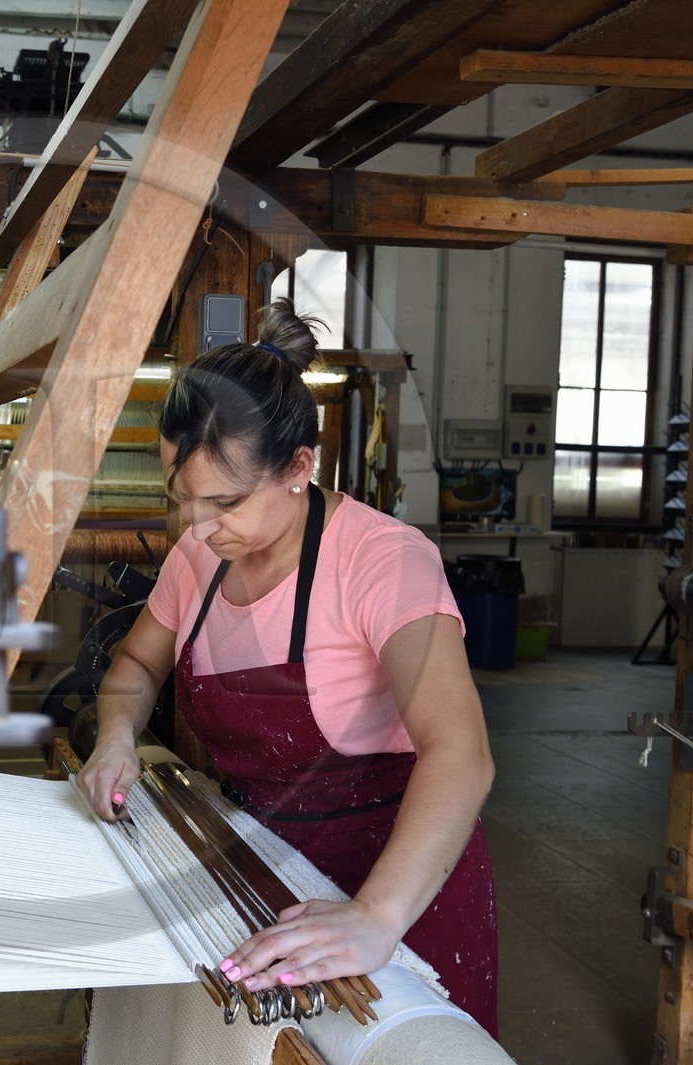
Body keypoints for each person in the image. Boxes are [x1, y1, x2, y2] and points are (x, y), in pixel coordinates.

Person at [76, 298, 498, 1034]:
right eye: (182, 498)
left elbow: (461, 753)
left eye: (225, 502)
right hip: (263, 866)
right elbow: (136, 664)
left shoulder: (383, 561)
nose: (197, 526)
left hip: (398, 886)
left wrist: (376, 916)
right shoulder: (197, 556)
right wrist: (116, 737)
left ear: (301, 466)